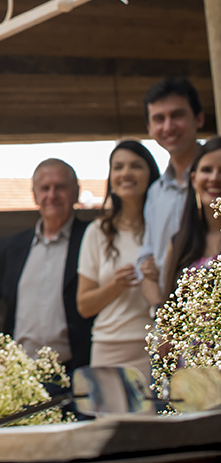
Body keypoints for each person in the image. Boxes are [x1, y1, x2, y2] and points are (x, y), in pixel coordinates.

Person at [0, 159, 93, 375]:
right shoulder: (10, 248)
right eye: (45, 188)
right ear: (34, 195)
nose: (52, 195)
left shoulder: (93, 239)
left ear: (76, 193)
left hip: (77, 372)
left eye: (60, 187)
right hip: (23, 375)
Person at [76, 141, 160, 380]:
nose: (125, 173)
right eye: (118, 167)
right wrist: (116, 286)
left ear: (150, 174)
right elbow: (84, 306)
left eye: (135, 166)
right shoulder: (97, 231)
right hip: (108, 348)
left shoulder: (164, 229)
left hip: (155, 348)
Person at [139, 77, 205, 292]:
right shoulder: (155, 193)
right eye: (159, 118)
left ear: (199, 118)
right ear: (149, 128)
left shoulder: (215, 180)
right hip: (171, 315)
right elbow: (147, 259)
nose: (168, 126)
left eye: (177, 115)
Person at [142, 136, 221, 307]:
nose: (214, 178)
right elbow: (170, 306)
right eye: (207, 170)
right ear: (193, 179)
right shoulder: (180, 241)